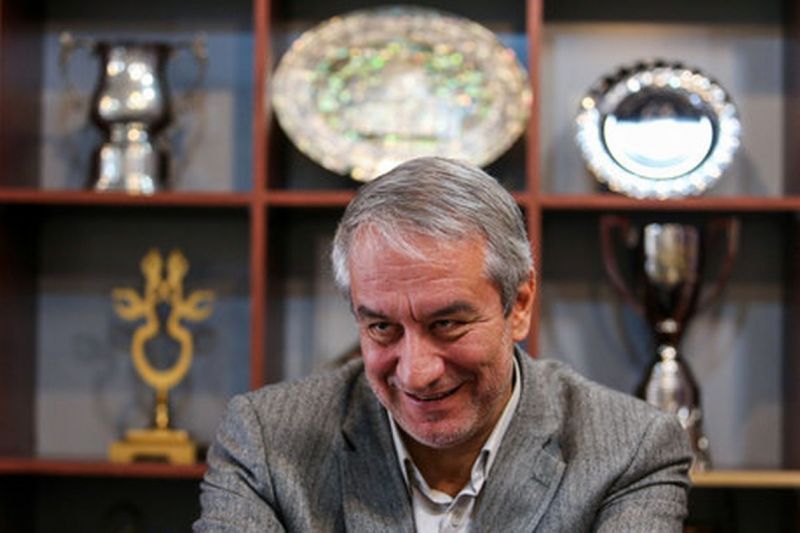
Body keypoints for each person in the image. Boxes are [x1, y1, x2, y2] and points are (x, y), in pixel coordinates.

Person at [195, 157, 691, 532]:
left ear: (519, 304)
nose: (416, 372)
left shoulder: (631, 450)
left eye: (447, 323)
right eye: (382, 328)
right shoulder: (266, 442)